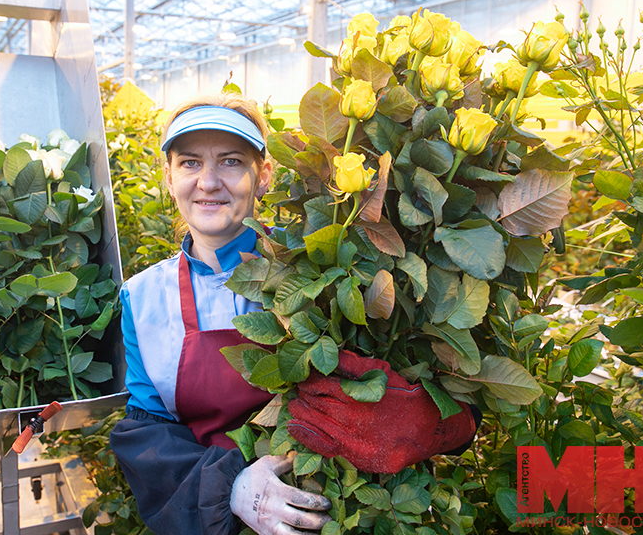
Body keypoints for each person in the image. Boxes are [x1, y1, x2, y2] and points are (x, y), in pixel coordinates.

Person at [109, 92, 479, 535]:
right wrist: (229, 488)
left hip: (351, 516)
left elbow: (458, 395)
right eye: (189, 163)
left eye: (229, 161)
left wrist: (424, 421)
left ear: (263, 175)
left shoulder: (325, 260)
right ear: (169, 178)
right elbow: (150, 437)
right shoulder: (143, 297)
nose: (207, 182)